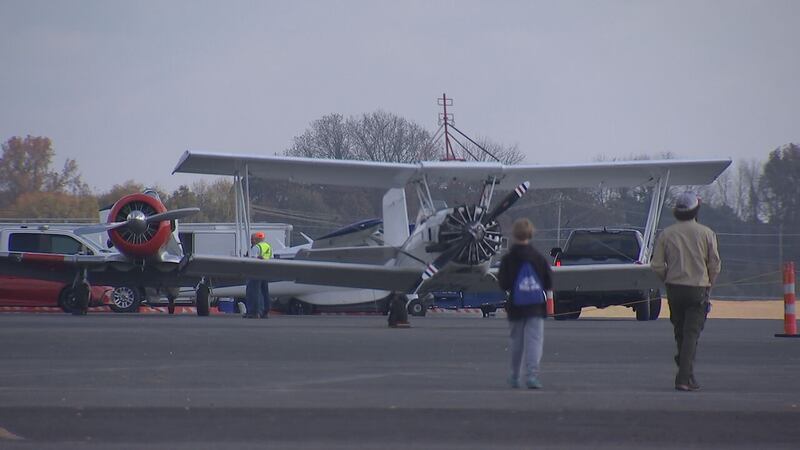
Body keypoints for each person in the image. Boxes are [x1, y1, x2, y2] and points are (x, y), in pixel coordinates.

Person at [651, 192, 721, 392]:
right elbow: (715, 265)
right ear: (695, 210)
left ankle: (686, 372)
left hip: (674, 288)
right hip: (698, 288)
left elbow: (656, 265)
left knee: (680, 332)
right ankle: (683, 378)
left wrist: (667, 279)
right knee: (691, 334)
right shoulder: (706, 233)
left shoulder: (667, 233)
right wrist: (709, 285)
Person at [497, 218, 552, 389]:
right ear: (530, 234)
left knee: (516, 341)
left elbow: (503, 283)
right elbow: (548, 281)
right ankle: (532, 376)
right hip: (535, 306)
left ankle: (514, 376)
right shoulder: (538, 258)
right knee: (534, 341)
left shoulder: (508, 259)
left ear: (514, 234)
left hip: (516, 305)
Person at [244, 231, 272, 319]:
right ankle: (265, 312)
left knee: (254, 292)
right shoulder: (268, 247)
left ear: (256, 239)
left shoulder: (256, 247)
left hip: (255, 271)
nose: (251, 241)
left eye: (252, 239)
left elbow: (252, 259)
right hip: (266, 270)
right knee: (264, 292)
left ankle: (254, 312)